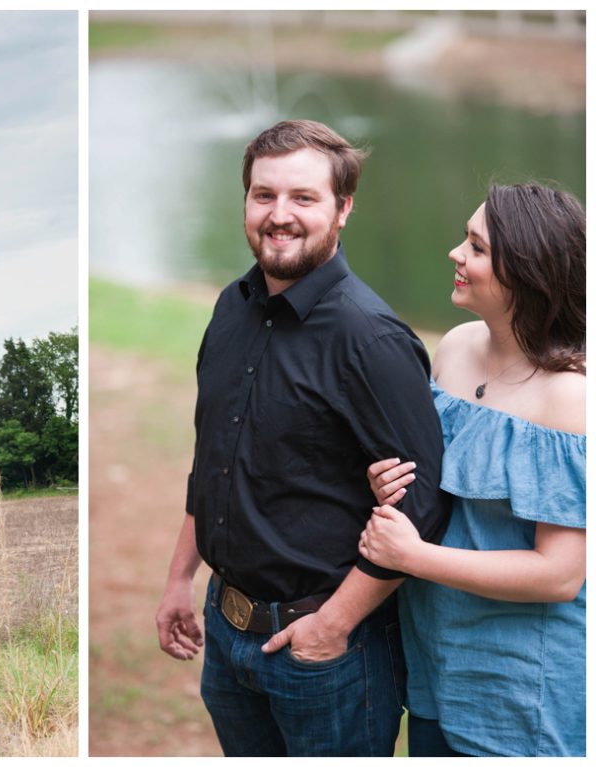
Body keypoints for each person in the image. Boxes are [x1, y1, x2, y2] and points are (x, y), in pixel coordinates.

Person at [154, 119, 451, 757]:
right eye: (264, 195)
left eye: (304, 198)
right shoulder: (231, 309)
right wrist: (182, 579)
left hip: (326, 656)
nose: (279, 215)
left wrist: (333, 626)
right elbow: (215, 464)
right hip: (226, 633)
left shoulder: (371, 341)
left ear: (343, 209)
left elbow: (423, 507)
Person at [359, 183, 585, 757]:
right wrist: (391, 483)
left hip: (519, 687)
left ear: (527, 272)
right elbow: (441, 487)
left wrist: (412, 557)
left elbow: (560, 575)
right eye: (466, 239)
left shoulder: (569, 399)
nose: (456, 254)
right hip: (437, 657)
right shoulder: (455, 348)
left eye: (477, 247)